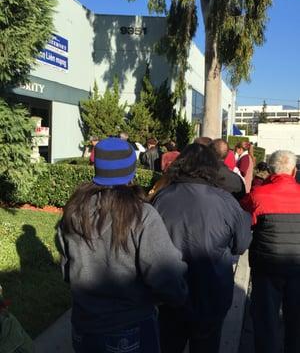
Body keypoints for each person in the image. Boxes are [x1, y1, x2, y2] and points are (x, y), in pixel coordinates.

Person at [58, 137, 188, 353]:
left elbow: (66, 269)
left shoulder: (74, 210)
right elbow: (166, 275)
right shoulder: (142, 214)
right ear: (131, 170)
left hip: (83, 327)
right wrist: (178, 296)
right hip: (129, 329)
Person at [153, 143, 252, 353]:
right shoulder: (226, 201)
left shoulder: (161, 198)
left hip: (171, 292)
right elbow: (241, 244)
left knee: (168, 343)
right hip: (212, 291)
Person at [242, 150, 300, 353]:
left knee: (266, 322)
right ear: (294, 172)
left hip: (266, 267)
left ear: (270, 170)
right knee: (296, 322)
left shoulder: (258, 195)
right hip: (297, 267)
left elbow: (244, 221)